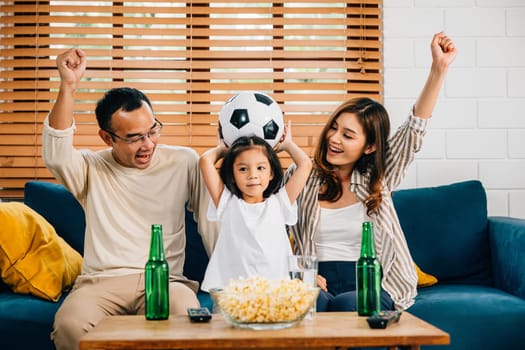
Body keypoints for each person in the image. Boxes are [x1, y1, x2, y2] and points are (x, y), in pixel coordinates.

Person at [43, 49, 219, 350]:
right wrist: (68, 87)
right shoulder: (90, 168)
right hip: (101, 284)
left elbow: (210, 222)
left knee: (186, 321)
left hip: (166, 283)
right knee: (69, 325)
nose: (147, 144)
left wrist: (226, 287)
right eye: (135, 137)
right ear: (107, 138)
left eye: (152, 131)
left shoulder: (184, 162)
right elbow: (56, 154)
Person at [285, 32, 457, 312]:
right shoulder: (303, 173)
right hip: (316, 279)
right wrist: (298, 274)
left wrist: (439, 69)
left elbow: (414, 130)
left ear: (369, 147)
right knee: (308, 300)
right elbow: (271, 223)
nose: (334, 138)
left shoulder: (378, 176)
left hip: (371, 281)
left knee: (352, 305)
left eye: (348, 135)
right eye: (334, 127)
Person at [199, 124, 312, 292]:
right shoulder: (227, 202)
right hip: (232, 293)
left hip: (274, 292)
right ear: (233, 174)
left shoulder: (280, 202)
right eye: (243, 169)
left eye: (261, 168)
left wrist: (287, 145)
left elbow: (305, 164)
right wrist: (223, 148)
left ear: (271, 173)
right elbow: (205, 161)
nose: (253, 175)